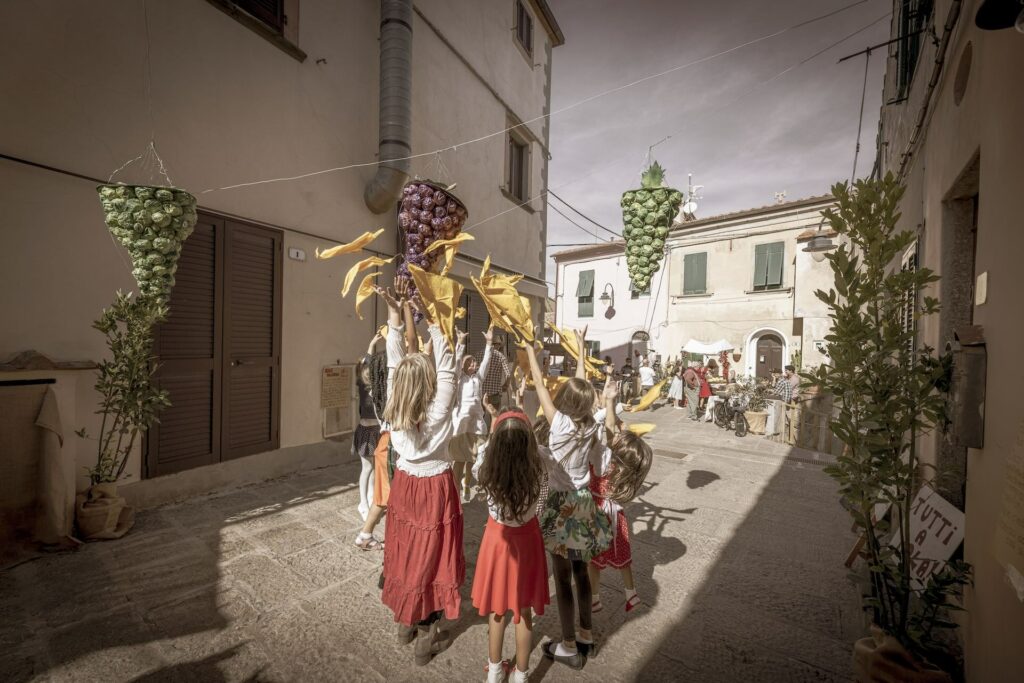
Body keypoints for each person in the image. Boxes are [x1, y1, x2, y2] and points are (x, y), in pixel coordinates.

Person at [374, 282, 464, 666]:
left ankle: (404, 623)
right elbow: (445, 367)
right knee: (434, 557)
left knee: (407, 553)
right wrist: (434, 317)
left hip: (406, 486)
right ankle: (426, 635)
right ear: (426, 382)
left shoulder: (395, 410)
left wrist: (395, 316)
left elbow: (396, 364)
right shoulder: (439, 409)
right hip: (437, 487)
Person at [524, 328, 614, 671]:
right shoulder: (590, 424)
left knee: (561, 578)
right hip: (584, 503)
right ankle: (587, 636)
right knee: (581, 574)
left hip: (561, 506)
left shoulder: (559, 424)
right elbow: (582, 389)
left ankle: (567, 646)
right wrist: (579, 350)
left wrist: (531, 349)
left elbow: (539, 383)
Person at [471, 408, 549, 683]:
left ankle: (494, 670)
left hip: (497, 539)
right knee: (523, 610)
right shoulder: (539, 462)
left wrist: (496, 430)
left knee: (497, 607)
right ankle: (522, 674)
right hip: (527, 539)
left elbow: (483, 452)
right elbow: (543, 451)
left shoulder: (485, 463)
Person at [354, 287, 419, 551]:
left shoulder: (386, 388)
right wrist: (403, 311)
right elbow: (410, 348)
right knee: (392, 499)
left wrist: (397, 311)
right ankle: (394, 541)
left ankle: (366, 534)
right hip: (394, 447)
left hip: (384, 442)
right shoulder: (397, 388)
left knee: (382, 498)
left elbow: (401, 351)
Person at [589, 424, 653, 615]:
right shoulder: (625, 472)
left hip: (597, 514)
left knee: (594, 560)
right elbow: (610, 438)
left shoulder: (604, 463)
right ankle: (631, 593)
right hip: (616, 516)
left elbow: (602, 437)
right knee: (623, 556)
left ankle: (594, 599)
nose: (614, 437)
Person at [450, 327, 493, 503]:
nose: (474, 365)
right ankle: (454, 492)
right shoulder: (459, 378)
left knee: (473, 460)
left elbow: (486, 362)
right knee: (459, 460)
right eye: (470, 363)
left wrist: (489, 344)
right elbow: (456, 362)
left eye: (474, 362)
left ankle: (467, 485)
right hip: (461, 424)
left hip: (476, 424)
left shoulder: (478, 378)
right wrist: (460, 343)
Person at [354, 333, 383, 521]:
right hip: (365, 432)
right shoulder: (362, 385)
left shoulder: (377, 386)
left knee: (373, 467)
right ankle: (362, 502)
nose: (369, 371)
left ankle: (372, 495)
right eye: (366, 368)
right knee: (366, 468)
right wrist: (372, 343)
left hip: (377, 431)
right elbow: (367, 360)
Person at [483, 337, 513, 414]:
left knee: (480, 415)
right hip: (495, 392)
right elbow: (508, 374)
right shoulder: (501, 357)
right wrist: (506, 385)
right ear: (498, 345)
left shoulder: (480, 354)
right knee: (495, 415)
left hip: (482, 392)